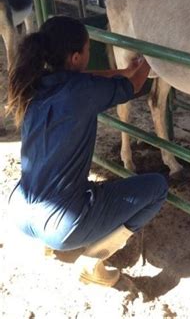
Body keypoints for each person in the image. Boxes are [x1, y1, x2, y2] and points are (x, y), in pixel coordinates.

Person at [7, 16, 168, 287]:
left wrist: (125, 69)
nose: (89, 57)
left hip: (21, 210)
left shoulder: (38, 82)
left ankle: (54, 245)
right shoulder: (80, 91)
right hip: (62, 222)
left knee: (81, 192)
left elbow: (89, 78)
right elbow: (137, 85)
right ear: (75, 57)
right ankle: (94, 260)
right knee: (157, 188)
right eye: (88, 51)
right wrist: (152, 55)